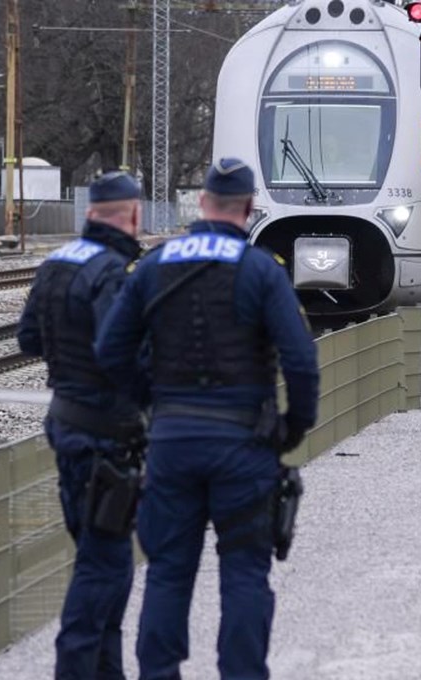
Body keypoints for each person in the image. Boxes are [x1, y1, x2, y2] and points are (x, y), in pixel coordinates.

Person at [95, 158, 320, 680]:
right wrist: (291, 427)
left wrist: (152, 405)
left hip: (172, 444)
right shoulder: (262, 269)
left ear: (202, 203)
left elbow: (110, 351)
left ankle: (159, 674)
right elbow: (302, 361)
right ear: (247, 208)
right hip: (244, 444)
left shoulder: (155, 265)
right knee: (244, 572)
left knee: (168, 572)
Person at [16, 170, 145, 680]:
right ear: (132, 214)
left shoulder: (56, 263)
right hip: (105, 441)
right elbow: (123, 355)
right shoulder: (113, 272)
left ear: (91, 212)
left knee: (100, 560)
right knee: (105, 568)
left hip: (66, 427)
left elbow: (28, 339)